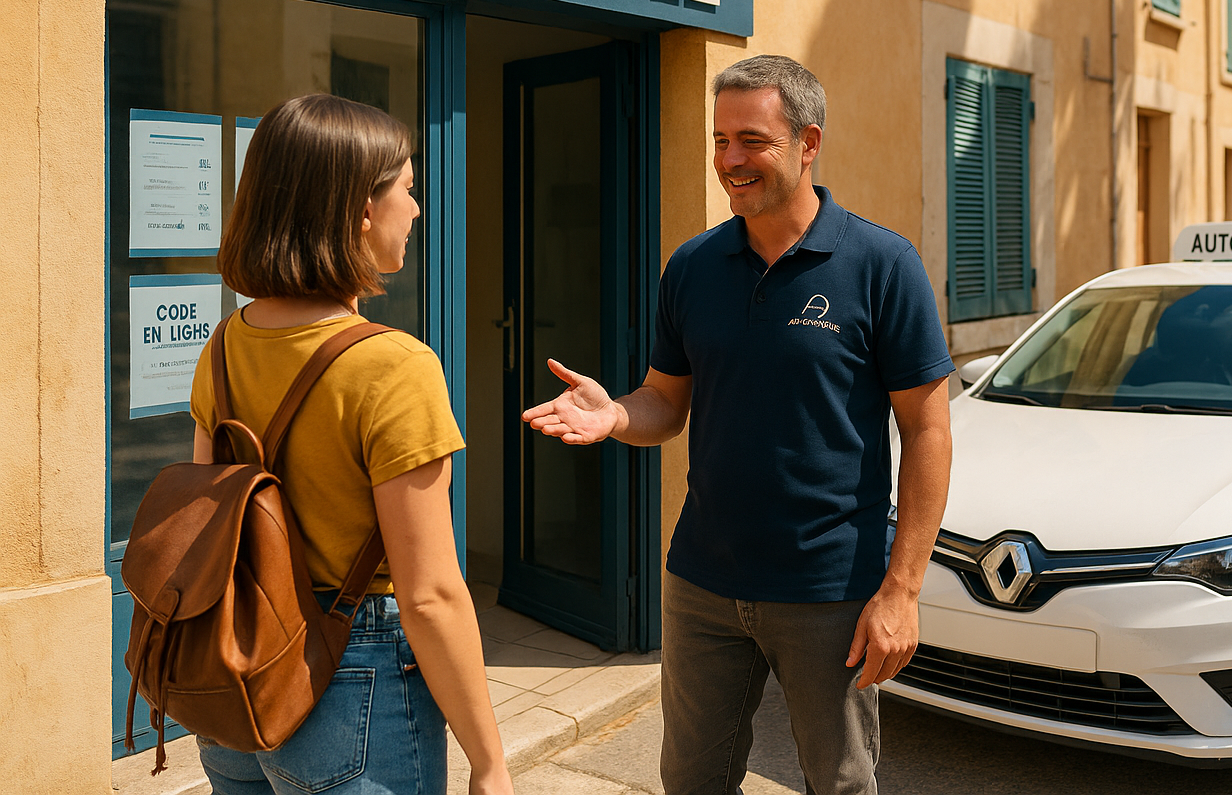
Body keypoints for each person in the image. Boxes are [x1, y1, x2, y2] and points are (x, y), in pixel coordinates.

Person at [523, 55, 954, 795]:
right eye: (719, 141)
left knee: (840, 782)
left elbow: (928, 431)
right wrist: (618, 413)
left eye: (751, 141)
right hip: (703, 583)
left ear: (808, 142)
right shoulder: (692, 267)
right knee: (692, 779)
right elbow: (666, 400)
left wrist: (902, 591)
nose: (730, 161)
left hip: (831, 589)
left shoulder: (882, 264)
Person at [188, 95, 515, 795]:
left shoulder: (224, 345)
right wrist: (489, 763)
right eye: (408, 188)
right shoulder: (393, 366)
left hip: (235, 671)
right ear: (361, 211)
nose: (417, 209)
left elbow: (211, 523)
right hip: (349, 673)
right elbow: (429, 594)